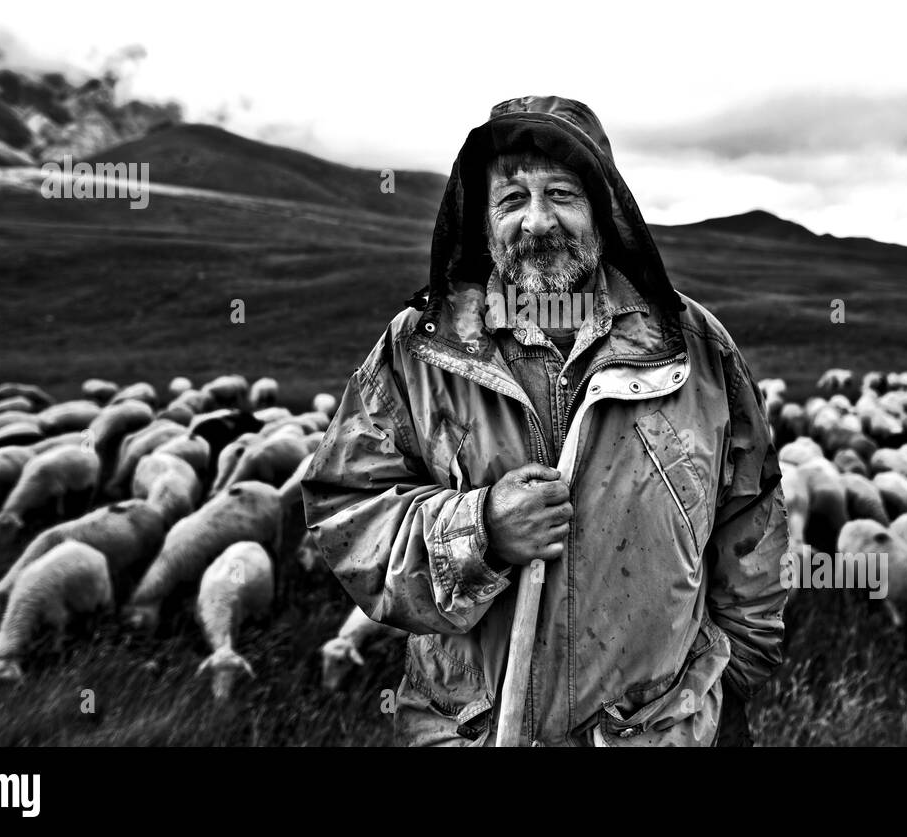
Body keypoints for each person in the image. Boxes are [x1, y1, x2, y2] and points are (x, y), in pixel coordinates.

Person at [301, 95, 789, 746]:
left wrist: (725, 687)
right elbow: (345, 512)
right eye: (511, 200)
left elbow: (751, 520)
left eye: (561, 193)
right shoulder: (420, 349)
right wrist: (479, 531)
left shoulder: (693, 346)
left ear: (604, 210)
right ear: (482, 221)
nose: (537, 222)